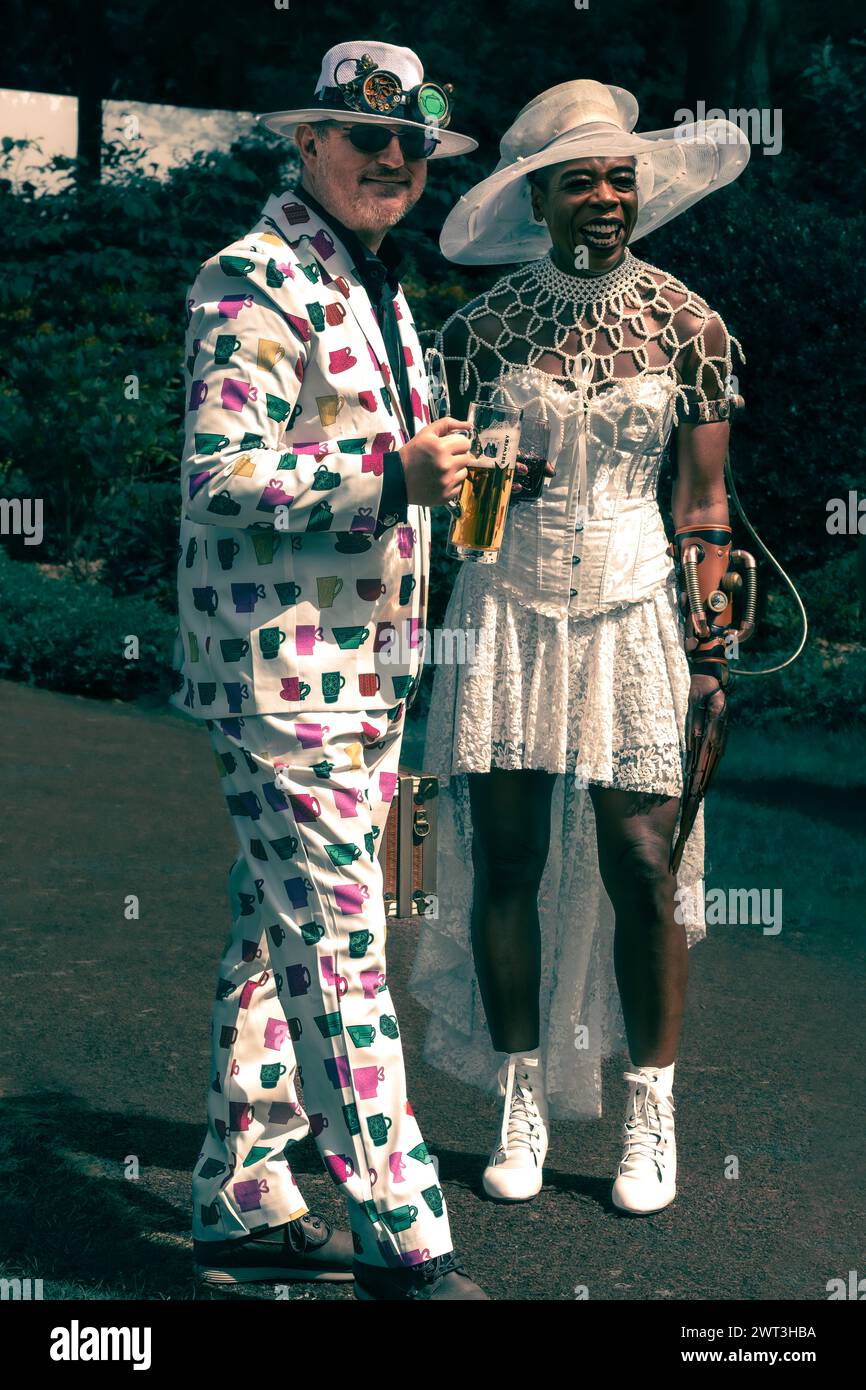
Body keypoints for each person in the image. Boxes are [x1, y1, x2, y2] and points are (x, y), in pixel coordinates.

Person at [169, 39, 488, 1300]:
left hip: (374, 672)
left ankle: (239, 1188)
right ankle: (401, 1231)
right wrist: (384, 482)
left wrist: (430, 482)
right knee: (343, 940)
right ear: (305, 142)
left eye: (412, 144)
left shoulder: (375, 285)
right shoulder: (248, 277)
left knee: (276, 931)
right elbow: (215, 473)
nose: (393, 162)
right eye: (368, 139)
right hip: (279, 673)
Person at [409, 79, 750, 1214]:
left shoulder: (688, 327)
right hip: (504, 613)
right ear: (535, 201)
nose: (605, 197)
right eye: (578, 181)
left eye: (619, 178)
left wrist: (711, 646)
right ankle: (517, 1099)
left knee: (643, 865)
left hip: (636, 606)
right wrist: (497, 487)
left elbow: (702, 505)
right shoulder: (476, 332)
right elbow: (459, 518)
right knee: (504, 861)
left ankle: (648, 1113)